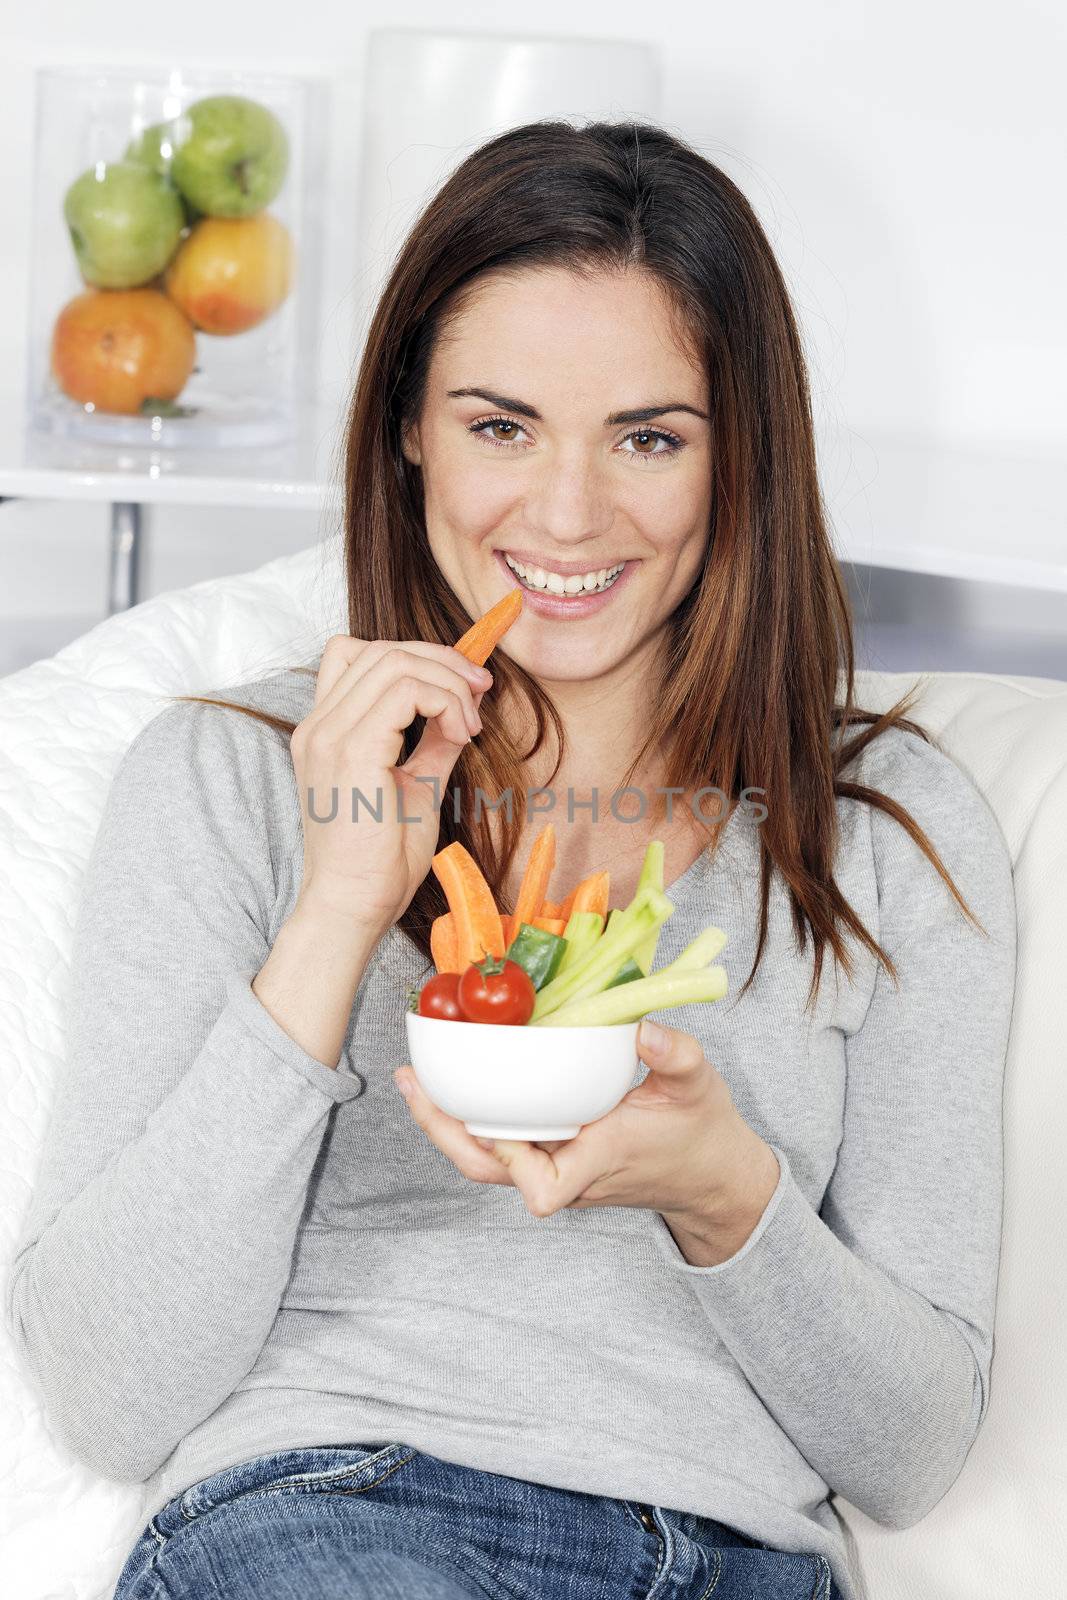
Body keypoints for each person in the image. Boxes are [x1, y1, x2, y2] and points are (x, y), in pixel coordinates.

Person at [5, 120, 1016, 1600]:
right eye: (501, 426)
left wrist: (728, 1195)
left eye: (650, 439)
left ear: (744, 462)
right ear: (409, 422)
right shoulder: (230, 774)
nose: (564, 515)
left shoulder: (881, 833)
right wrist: (343, 900)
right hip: (337, 1516)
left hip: (742, 1563)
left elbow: (913, 1452)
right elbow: (109, 1387)